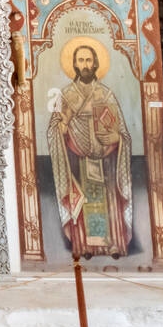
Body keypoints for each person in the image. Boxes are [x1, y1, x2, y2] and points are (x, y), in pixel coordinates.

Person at [48, 43, 133, 257]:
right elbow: (54, 130)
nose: (85, 65)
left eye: (88, 60)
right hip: (78, 161)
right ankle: (86, 245)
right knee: (84, 200)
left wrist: (117, 138)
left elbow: (122, 131)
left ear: (95, 63)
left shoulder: (106, 94)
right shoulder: (65, 95)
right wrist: (63, 126)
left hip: (107, 162)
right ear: (74, 65)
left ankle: (112, 244)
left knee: (109, 201)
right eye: (80, 60)